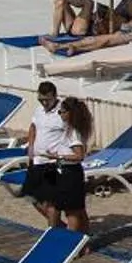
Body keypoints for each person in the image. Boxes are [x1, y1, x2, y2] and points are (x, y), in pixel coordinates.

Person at [24, 83, 92, 236]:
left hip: (58, 166)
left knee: (68, 208)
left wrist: (56, 157)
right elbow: (33, 127)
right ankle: (62, 233)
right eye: (40, 99)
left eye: (62, 112)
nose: (60, 114)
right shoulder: (42, 112)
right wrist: (31, 149)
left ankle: (66, 237)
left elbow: (80, 154)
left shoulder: (71, 128)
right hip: (54, 165)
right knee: (38, 198)